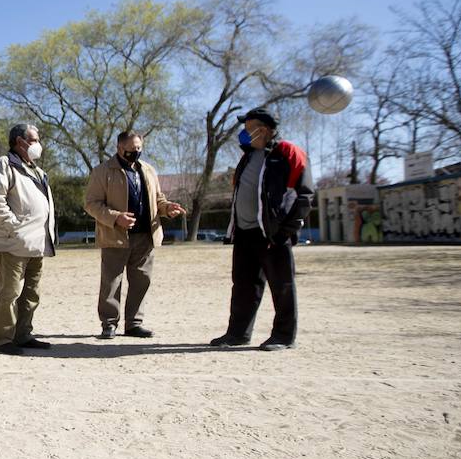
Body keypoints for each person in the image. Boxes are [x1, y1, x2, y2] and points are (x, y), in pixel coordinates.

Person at [210, 107, 315, 350]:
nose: (244, 134)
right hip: (245, 233)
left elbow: (304, 195)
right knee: (243, 286)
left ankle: (284, 336)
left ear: (265, 130)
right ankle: (238, 333)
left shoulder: (288, 152)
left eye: (249, 129)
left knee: (282, 286)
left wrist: (285, 230)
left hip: (273, 234)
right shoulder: (247, 155)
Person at [83, 131, 185, 339]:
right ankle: (109, 324)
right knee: (111, 282)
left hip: (146, 236)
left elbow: (158, 199)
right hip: (115, 235)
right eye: (132, 149)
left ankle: (134, 324)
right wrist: (115, 217)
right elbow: (91, 204)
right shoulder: (103, 171)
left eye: (139, 148)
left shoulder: (148, 170)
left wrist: (167, 208)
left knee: (142, 281)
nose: (136, 152)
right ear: (120, 148)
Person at [0, 123, 57, 355]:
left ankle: (23, 334)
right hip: (14, 242)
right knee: (9, 292)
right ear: (19, 141)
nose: (37, 144)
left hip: (37, 243)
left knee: (31, 292)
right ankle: (3, 339)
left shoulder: (38, 171)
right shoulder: (5, 164)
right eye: (33, 140)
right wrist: (13, 226)